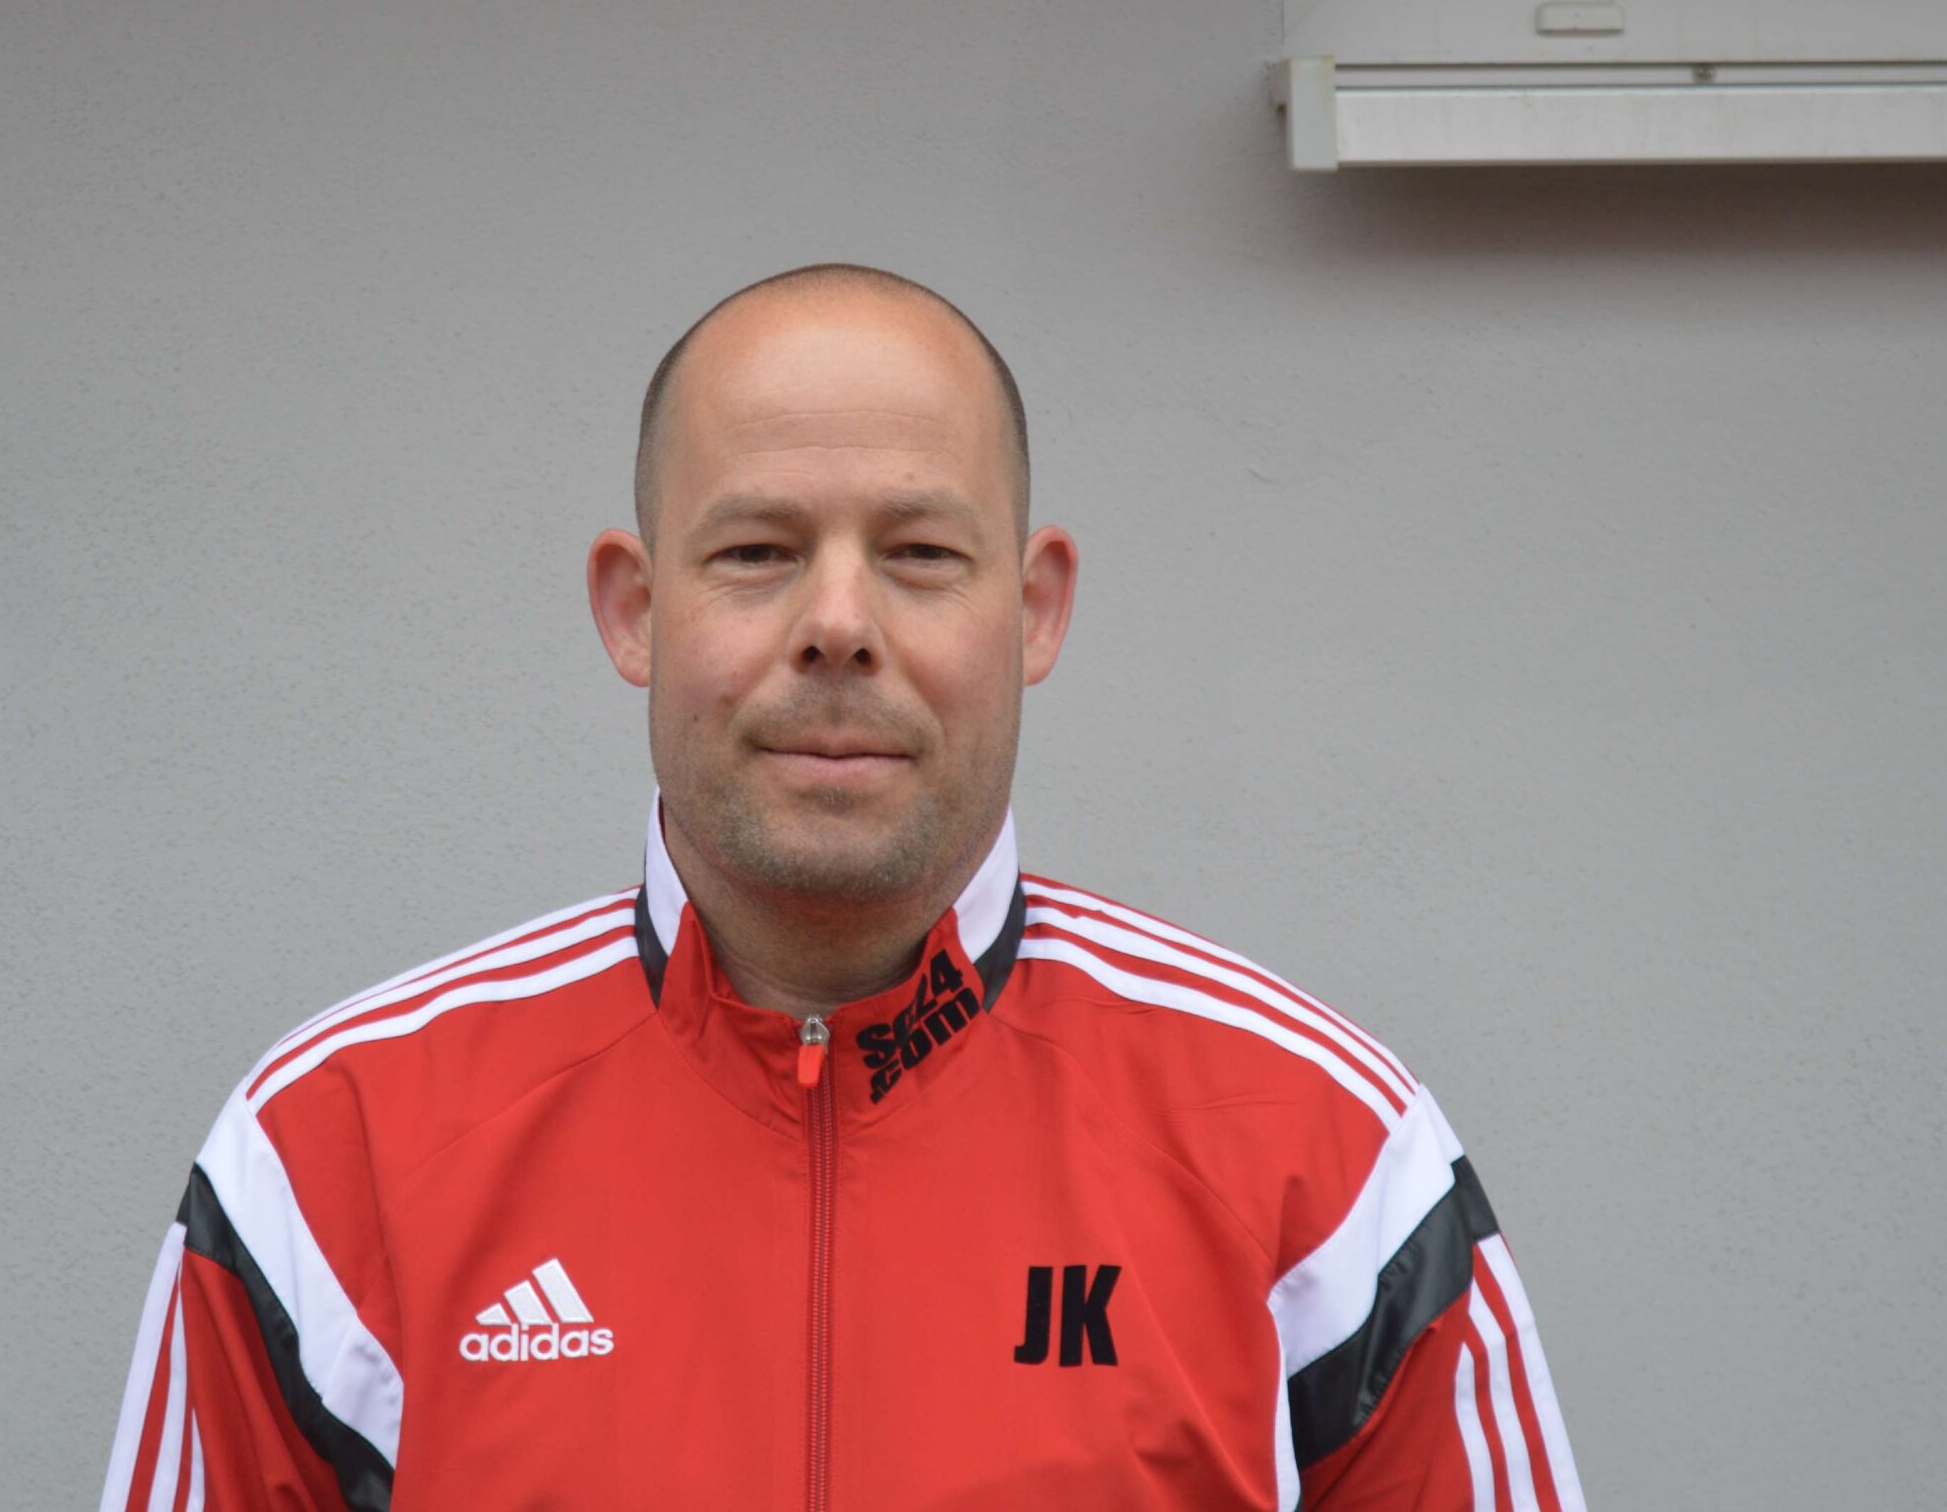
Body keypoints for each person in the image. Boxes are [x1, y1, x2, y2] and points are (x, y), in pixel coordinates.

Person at [99, 263, 1587, 1510]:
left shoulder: (1322, 1156)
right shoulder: (332, 1155)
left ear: (1034, 609)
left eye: (921, 553)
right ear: (635, 608)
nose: (837, 624)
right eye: (757, 551)